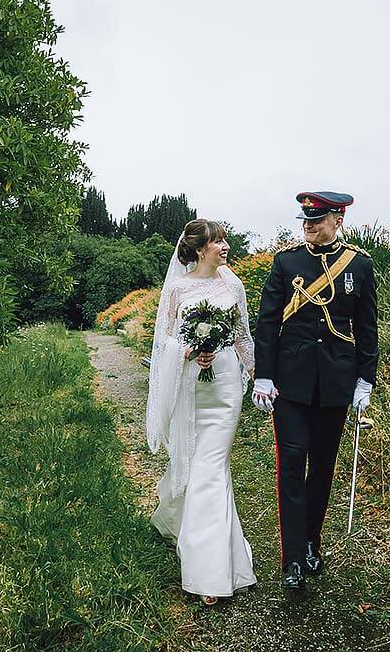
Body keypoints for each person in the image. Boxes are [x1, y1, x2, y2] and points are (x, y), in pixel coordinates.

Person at [251, 191, 378, 591]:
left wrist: (365, 379)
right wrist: (264, 376)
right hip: (290, 383)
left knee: (321, 468)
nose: (309, 224)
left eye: (317, 219)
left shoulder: (360, 264)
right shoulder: (286, 262)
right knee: (290, 467)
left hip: (336, 384)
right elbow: (268, 322)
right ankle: (290, 561)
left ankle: (310, 542)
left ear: (338, 219)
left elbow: (367, 326)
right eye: (306, 219)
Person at [146, 218, 257, 605]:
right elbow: (164, 339)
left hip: (226, 386)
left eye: (225, 239)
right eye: (217, 242)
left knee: (212, 465)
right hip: (191, 382)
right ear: (197, 249)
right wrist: (190, 350)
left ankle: (208, 573)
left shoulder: (234, 284)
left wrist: (258, 375)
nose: (225, 247)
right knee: (199, 465)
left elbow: (242, 333)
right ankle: (210, 549)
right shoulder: (177, 287)